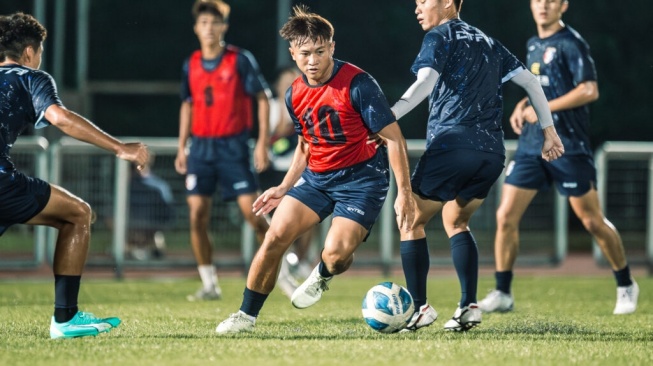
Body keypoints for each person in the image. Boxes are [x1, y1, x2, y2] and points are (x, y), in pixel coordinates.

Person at [215, 5, 415, 334]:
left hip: (362, 181)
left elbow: (394, 140)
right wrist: (284, 187)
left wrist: (404, 194)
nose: (313, 60)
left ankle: (323, 273)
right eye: (306, 53)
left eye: (320, 52)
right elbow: (306, 145)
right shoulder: (294, 94)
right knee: (275, 235)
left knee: (336, 256)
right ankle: (246, 316)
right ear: (294, 53)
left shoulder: (359, 84)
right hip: (316, 180)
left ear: (332, 48)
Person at [390, 0, 564, 332]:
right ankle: (468, 306)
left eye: (423, 1)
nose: (417, 8)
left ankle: (418, 307)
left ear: (447, 3)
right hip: (491, 152)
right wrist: (549, 133)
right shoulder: (487, 40)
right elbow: (531, 83)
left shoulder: (439, 36)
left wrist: (388, 116)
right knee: (456, 219)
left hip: (453, 143)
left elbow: (425, 83)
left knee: (410, 218)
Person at [478, 0, 639, 315]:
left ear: (563, 6)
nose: (543, 6)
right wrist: (523, 103)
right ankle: (503, 292)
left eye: (551, 0)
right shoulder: (534, 43)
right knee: (505, 216)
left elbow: (589, 90)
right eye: (538, 0)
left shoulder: (571, 43)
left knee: (592, 220)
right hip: (530, 146)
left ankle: (625, 283)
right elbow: (542, 86)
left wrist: (542, 110)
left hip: (567, 145)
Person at [0, 12, 150, 339]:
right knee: (78, 214)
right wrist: (119, 148)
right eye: (39, 52)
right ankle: (65, 319)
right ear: (29, 52)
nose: (38, 58)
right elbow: (60, 117)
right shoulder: (30, 76)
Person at [174, 0, 271, 301]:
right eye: (203, 23)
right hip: (201, 149)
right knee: (196, 216)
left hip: (234, 148)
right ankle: (209, 284)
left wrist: (263, 143)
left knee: (254, 215)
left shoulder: (240, 60)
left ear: (224, 27)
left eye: (215, 23)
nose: (209, 28)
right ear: (195, 28)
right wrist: (181, 147)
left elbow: (263, 98)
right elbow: (187, 105)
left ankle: (282, 265)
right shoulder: (190, 63)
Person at [258, 66, 316, 298]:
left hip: (299, 171)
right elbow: (275, 133)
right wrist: (287, 110)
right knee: (274, 225)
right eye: (286, 80)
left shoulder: (308, 101)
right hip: (273, 171)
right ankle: (279, 269)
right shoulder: (271, 107)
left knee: (308, 222)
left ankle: (298, 261)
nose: (291, 83)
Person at [126, 158, 175, 260]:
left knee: (155, 240)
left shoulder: (159, 185)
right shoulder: (126, 185)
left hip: (153, 224)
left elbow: (168, 211)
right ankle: (132, 248)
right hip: (133, 225)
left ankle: (152, 247)